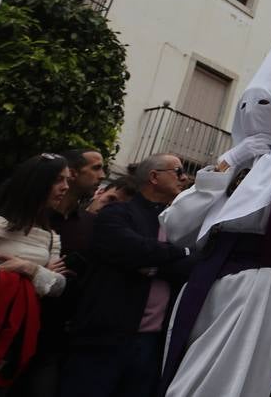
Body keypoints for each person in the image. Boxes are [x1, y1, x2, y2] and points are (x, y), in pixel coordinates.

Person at [159, 0, 271, 397]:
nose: (252, 114)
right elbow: (179, 226)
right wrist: (228, 164)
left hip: (255, 288)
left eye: (265, 105)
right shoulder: (229, 161)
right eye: (246, 103)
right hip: (203, 285)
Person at [58, 156, 190, 397]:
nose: (184, 178)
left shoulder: (179, 224)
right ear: (154, 177)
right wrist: (179, 253)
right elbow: (129, 248)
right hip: (104, 338)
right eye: (178, 171)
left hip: (151, 344)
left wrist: (152, 264)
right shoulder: (117, 213)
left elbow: (189, 267)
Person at [0, 153, 71, 394]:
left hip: (20, 338)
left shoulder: (51, 236)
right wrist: (42, 277)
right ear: (37, 182)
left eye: (67, 180)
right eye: (58, 180)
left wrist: (27, 268)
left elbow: (59, 287)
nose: (65, 188)